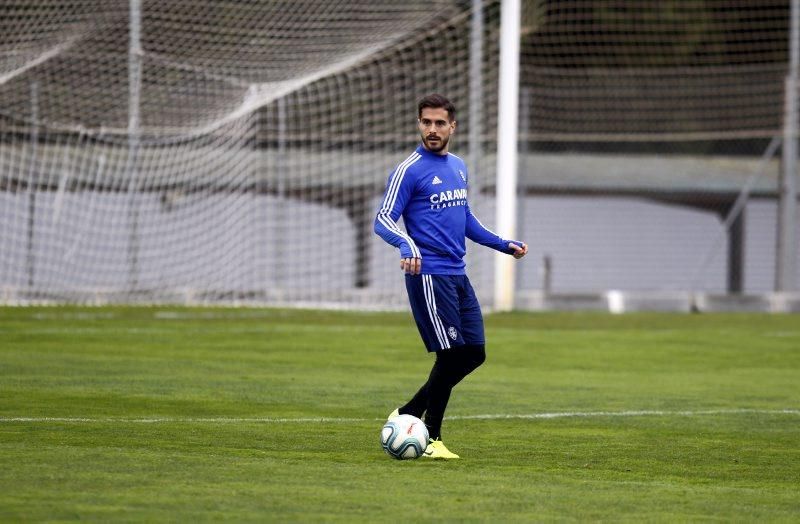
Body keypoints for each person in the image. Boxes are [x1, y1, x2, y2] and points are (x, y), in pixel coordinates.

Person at [374, 93, 528, 459]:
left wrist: (502, 243)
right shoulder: (409, 169)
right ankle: (431, 438)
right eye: (426, 122)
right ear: (418, 124)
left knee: (474, 353)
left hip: (458, 275)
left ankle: (409, 412)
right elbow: (382, 219)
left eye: (439, 123)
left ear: (452, 127)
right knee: (449, 354)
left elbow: (465, 218)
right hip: (429, 275)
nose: (432, 129)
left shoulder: (458, 166)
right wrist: (406, 245)